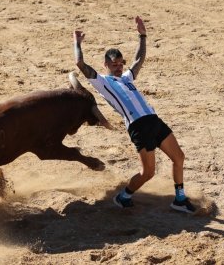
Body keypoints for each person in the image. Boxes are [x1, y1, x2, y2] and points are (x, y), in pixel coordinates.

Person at [73, 16, 196, 213]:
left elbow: (139, 59)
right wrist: (77, 43)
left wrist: (142, 35)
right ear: (105, 64)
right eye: (114, 64)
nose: (119, 67)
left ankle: (180, 199)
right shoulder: (102, 81)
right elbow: (80, 63)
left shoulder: (127, 77)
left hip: (154, 121)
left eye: (121, 63)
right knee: (148, 173)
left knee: (179, 157)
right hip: (138, 126)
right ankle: (124, 196)